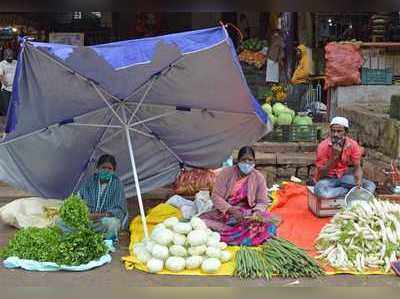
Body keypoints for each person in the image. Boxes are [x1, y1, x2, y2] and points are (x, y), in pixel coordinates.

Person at [200, 146, 277, 246]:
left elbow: (262, 201)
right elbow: (216, 196)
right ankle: (232, 234)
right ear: (238, 161)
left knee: (268, 225)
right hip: (226, 211)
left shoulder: (258, 177)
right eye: (243, 160)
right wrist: (230, 210)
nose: (247, 163)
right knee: (201, 223)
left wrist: (256, 212)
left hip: (247, 213)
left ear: (254, 161)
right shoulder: (226, 173)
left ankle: (236, 234)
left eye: (250, 160)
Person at [58, 154, 128, 241]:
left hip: (103, 220)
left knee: (113, 223)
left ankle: (106, 242)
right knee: (61, 222)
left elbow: (119, 209)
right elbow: (79, 199)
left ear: (114, 170)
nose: (106, 170)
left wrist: (99, 215)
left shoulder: (117, 184)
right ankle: (79, 237)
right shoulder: (90, 181)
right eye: (103, 167)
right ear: (97, 168)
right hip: (88, 218)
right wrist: (83, 213)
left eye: (109, 168)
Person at [314, 117, 376, 199]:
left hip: (344, 177)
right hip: (327, 179)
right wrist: (334, 157)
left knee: (370, 185)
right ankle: (347, 192)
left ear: (346, 132)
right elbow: (321, 173)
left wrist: (358, 182)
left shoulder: (353, 145)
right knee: (321, 192)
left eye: (339, 131)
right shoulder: (323, 146)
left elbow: (357, 167)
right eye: (333, 131)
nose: (335, 134)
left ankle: (346, 192)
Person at [0, 49, 17, 116]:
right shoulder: (1, 64)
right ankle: (7, 123)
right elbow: (1, 75)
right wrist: (4, 81)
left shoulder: (16, 62)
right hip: (6, 90)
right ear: (5, 56)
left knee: (15, 107)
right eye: (8, 56)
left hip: (15, 89)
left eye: (11, 56)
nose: (10, 58)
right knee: (7, 108)